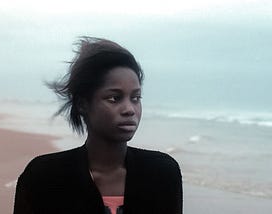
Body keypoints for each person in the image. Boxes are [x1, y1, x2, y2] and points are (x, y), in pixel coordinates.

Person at [13, 37, 182, 214]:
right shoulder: (44, 177)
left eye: (135, 98)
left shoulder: (161, 174)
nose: (129, 109)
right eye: (114, 98)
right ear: (82, 103)